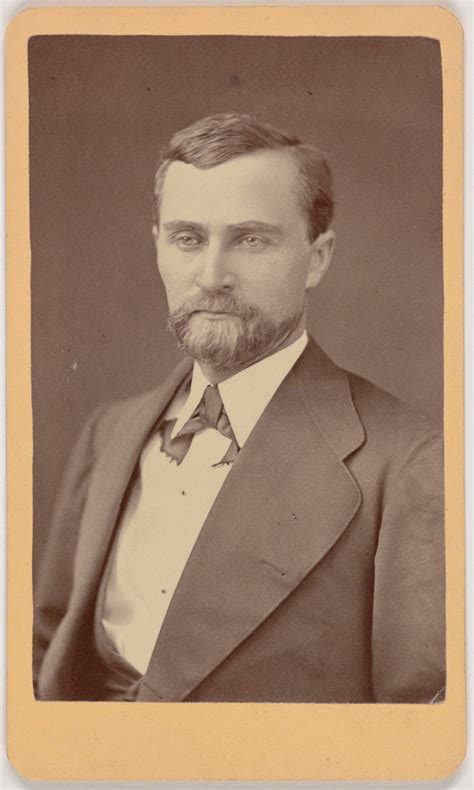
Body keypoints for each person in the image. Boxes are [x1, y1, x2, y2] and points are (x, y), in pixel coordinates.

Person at [34, 112, 445, 703]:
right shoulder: (113, 430)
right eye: (187, 238)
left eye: (251, 239)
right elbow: (46, 650)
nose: (211, 275)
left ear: (318, 257)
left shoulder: (409, 462)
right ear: (158, 249)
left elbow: (421, 731)